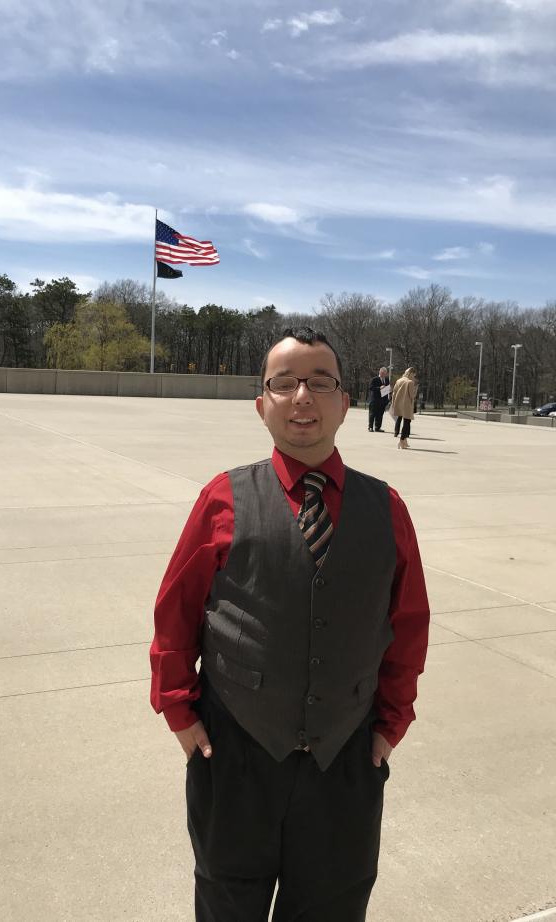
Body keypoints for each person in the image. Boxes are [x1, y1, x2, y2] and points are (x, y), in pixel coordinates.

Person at [150, 328, 430, 922]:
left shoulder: (388, 509)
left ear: (345, 403)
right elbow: (176, 612)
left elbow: (407, 625)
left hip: (347, 757)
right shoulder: (222, 498)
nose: (302, 396)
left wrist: (391, 723)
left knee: (333, 904)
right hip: (235, 756)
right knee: (229, 901)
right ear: (262, 404)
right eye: (284, 383)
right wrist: (178, 709)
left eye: (320, 382)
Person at [391, 368, 418, 449]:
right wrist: (415, 390)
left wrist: (393, 403)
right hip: (407, 405)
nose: (414, 376)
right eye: (414, 374)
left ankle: (404, 440)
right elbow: (412, 395)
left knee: (402, 421)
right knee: (406, 423)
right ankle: (402, 440)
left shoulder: (399, 380)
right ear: (411, 373)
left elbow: (394, 393)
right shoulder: (410, 382)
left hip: (398, 404)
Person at [367, 366, 389, 431]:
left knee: (380, 415)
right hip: (374, 400)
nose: (384, 374)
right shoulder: (374, 379)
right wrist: (379, 388)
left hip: (382, 401)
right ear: (380, 372)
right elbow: (371, 388)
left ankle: (378, 427)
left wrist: (386, 401)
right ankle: (370, 427)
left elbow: (387, 391)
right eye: (382, 372)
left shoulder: (387, 380)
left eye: (385, 373)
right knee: (372, 414)